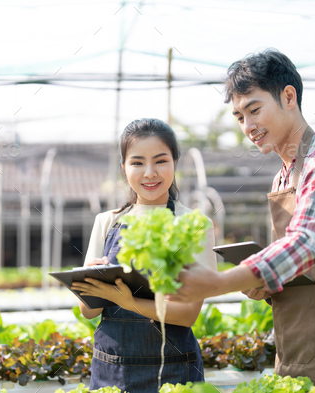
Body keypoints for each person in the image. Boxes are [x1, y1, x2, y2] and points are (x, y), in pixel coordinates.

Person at [169, 49, 315, 383]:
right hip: (293, 342)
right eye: (239, 117)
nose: (248, 126)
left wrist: (223, 281)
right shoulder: (282, 176)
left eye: (254, 110)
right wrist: (260, 286)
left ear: (289, 96)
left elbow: (306, 245)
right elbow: (294, 267)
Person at [71, 118, 217, 393]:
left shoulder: (196, 224)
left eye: (161, 161)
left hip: (175, 368)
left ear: (175, 162)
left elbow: (187, 315)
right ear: (124, 168)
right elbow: (89, 311)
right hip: (111, 368)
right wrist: (90, 284)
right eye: (137, 163)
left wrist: (128, 302)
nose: (150, 173)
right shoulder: (107, 221)